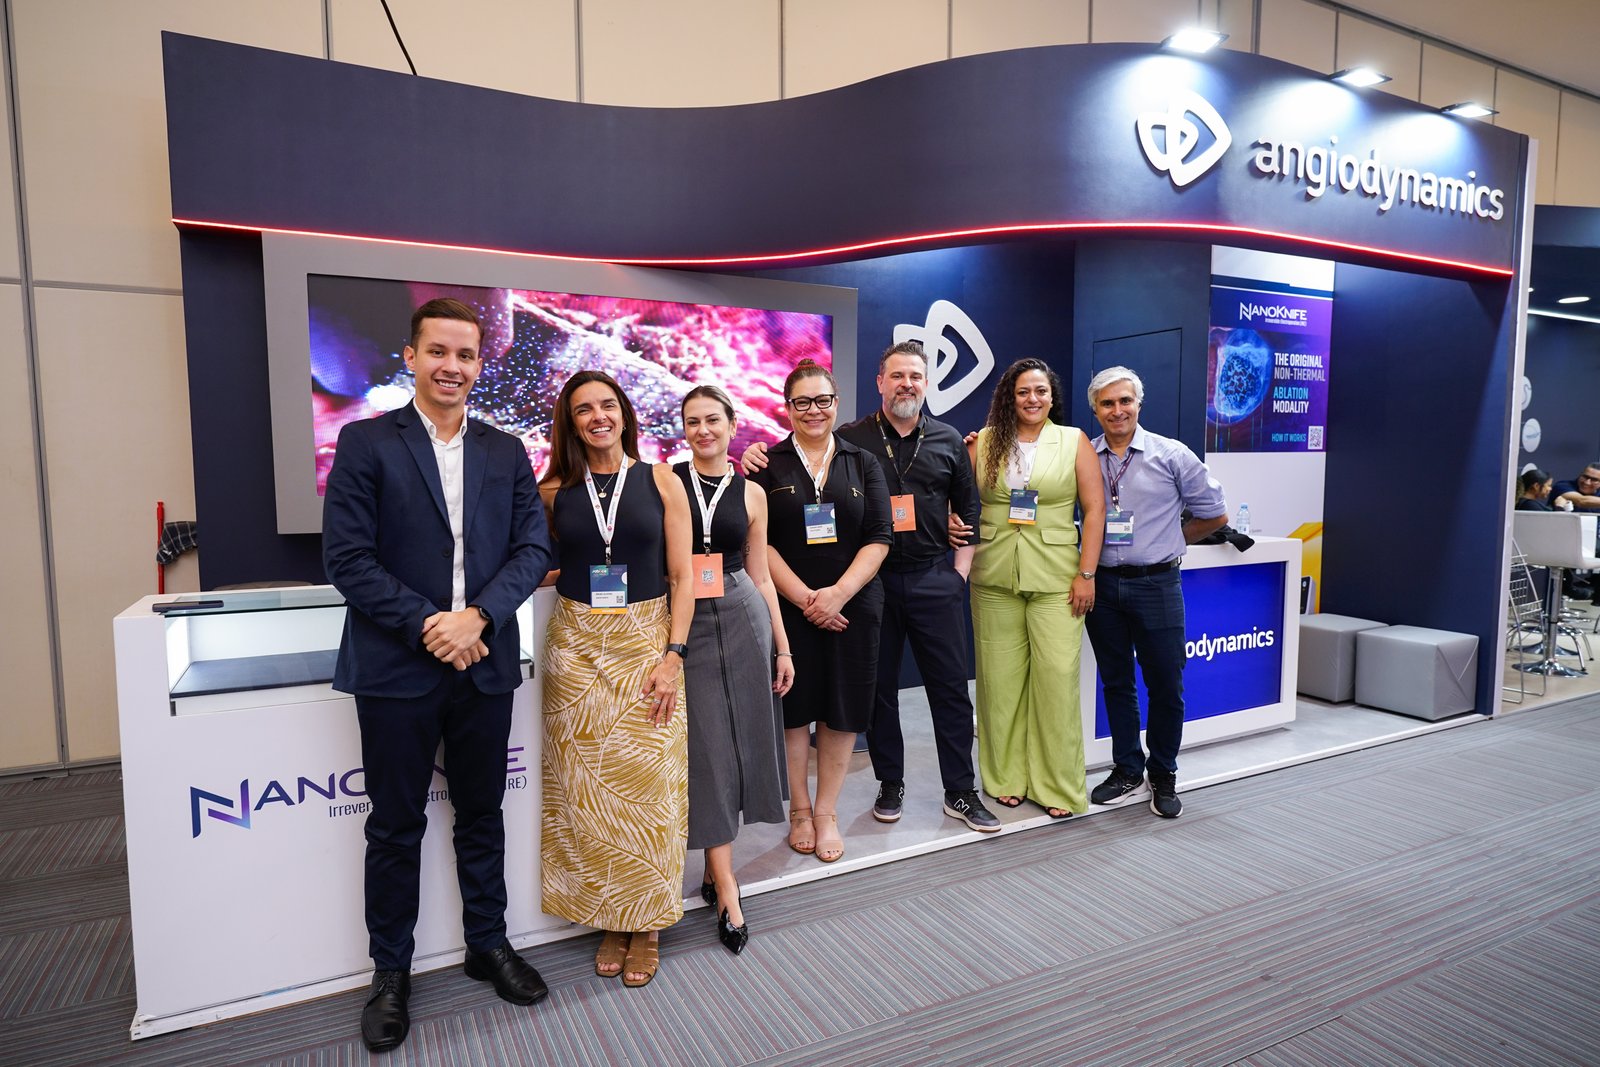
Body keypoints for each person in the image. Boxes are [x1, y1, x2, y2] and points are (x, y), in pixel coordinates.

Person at [322, 298, 553, 1053]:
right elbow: (347, 559)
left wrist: (476, 618)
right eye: (438, 352)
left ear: (481, 364)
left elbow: (532, 549)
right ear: (412, 357)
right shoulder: (365, 442)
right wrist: (434, 625)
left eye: (466, 354)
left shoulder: (505, 450)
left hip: (483, 664)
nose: (452, 366)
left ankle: (488, 943)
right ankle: (391, 971)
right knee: (395, 826)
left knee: (482, 813)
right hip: (397, 669)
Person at [743, 340, 996, 832]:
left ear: (927, 383)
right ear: (880, 382)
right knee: (878, 694)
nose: (906, 384)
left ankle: (961, 791)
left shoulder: (948, 440)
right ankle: (890, 782)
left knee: (950, 689)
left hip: (930, 579)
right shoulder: (850, 439)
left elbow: (969, 514)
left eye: (915, 376)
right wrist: (755, 451)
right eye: (897, 375)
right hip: (871, 586)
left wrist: (957, 576)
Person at [537, 370, 694, 989]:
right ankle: (610, 915)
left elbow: (682, 576)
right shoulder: (554, 491)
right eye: (584, 409)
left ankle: (646, 923)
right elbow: (543, 561)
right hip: (575, 650)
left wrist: (673, 655)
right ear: (571, 423)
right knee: (587, 791)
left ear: (624, 414)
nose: (598, 417)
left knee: (649, 788)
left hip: (647, 645)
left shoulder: (662, 479)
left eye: (607, 405)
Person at [747, 359, 892, 864]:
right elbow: (758, 541)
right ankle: (800, 810)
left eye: (823, 400)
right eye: (802, 402)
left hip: (853, 607)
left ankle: (826, 811)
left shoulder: (863, 461)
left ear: (836, 403)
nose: (814, 410)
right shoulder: (767, 464)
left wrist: (837, 595)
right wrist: (808, 600)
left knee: (842, 709)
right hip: (788, 610)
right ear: (787, 407)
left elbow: (880, 537)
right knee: (795, 710)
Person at [676, 385, 795, 955]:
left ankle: (715, 867)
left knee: (743, 742)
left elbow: (762, 573)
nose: (703, 430)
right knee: (708, 751)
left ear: (731, 424)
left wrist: (783, 646)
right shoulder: (666, 482)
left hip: (743, 612)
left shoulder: (751, 493)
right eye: (692, 421)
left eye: (712, 420)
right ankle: (727, 887)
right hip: (685, 619)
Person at [1083, 366, 1228, 819]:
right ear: (1096, 410)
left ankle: (1163, 772)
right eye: (1107, 403)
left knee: (1166, 683)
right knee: (1116, 682)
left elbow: (1216, 514)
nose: (1117, 410)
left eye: (1125, 401)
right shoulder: (1084, 456)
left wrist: (1174, 539)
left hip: (1157, 584)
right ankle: (1128, 769)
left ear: (1138, 404)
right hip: (1102, 584)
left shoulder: (1172, 454)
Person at [966, 358, 1105, 820]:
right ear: (1010, 397)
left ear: (1051, 397)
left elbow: (1095, 510)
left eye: (1041, 391)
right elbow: (958, 500)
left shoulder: (1073, 441)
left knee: (1057, 681)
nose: (1033, 399)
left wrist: (1086, 574)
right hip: (994, 575)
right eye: (1024, 391)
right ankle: (1005, 778)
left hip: (1058, 578)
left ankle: (1058, 786)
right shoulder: (983, 442)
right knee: (998, 683)